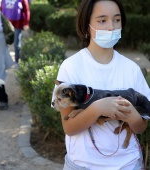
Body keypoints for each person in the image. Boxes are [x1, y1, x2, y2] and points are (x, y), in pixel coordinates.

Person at [52, 0, 150, 169]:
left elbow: (141, 127)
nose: (111, 27)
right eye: (102, 20)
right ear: (86, 25)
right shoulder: (71, 67)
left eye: (117, 20)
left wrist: (131, 115)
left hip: (128, 164)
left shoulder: (131, 69)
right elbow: (69, 127)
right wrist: (98, 109)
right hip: (82, 165)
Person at [0, 0, 30, 68]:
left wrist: (26, 23)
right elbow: (1, 9)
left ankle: (17, 61)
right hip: (6, 26)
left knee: (16, 44)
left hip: (17, 25)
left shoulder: (22, 0)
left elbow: (26, 10)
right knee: (4, 43)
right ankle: (5, 61)